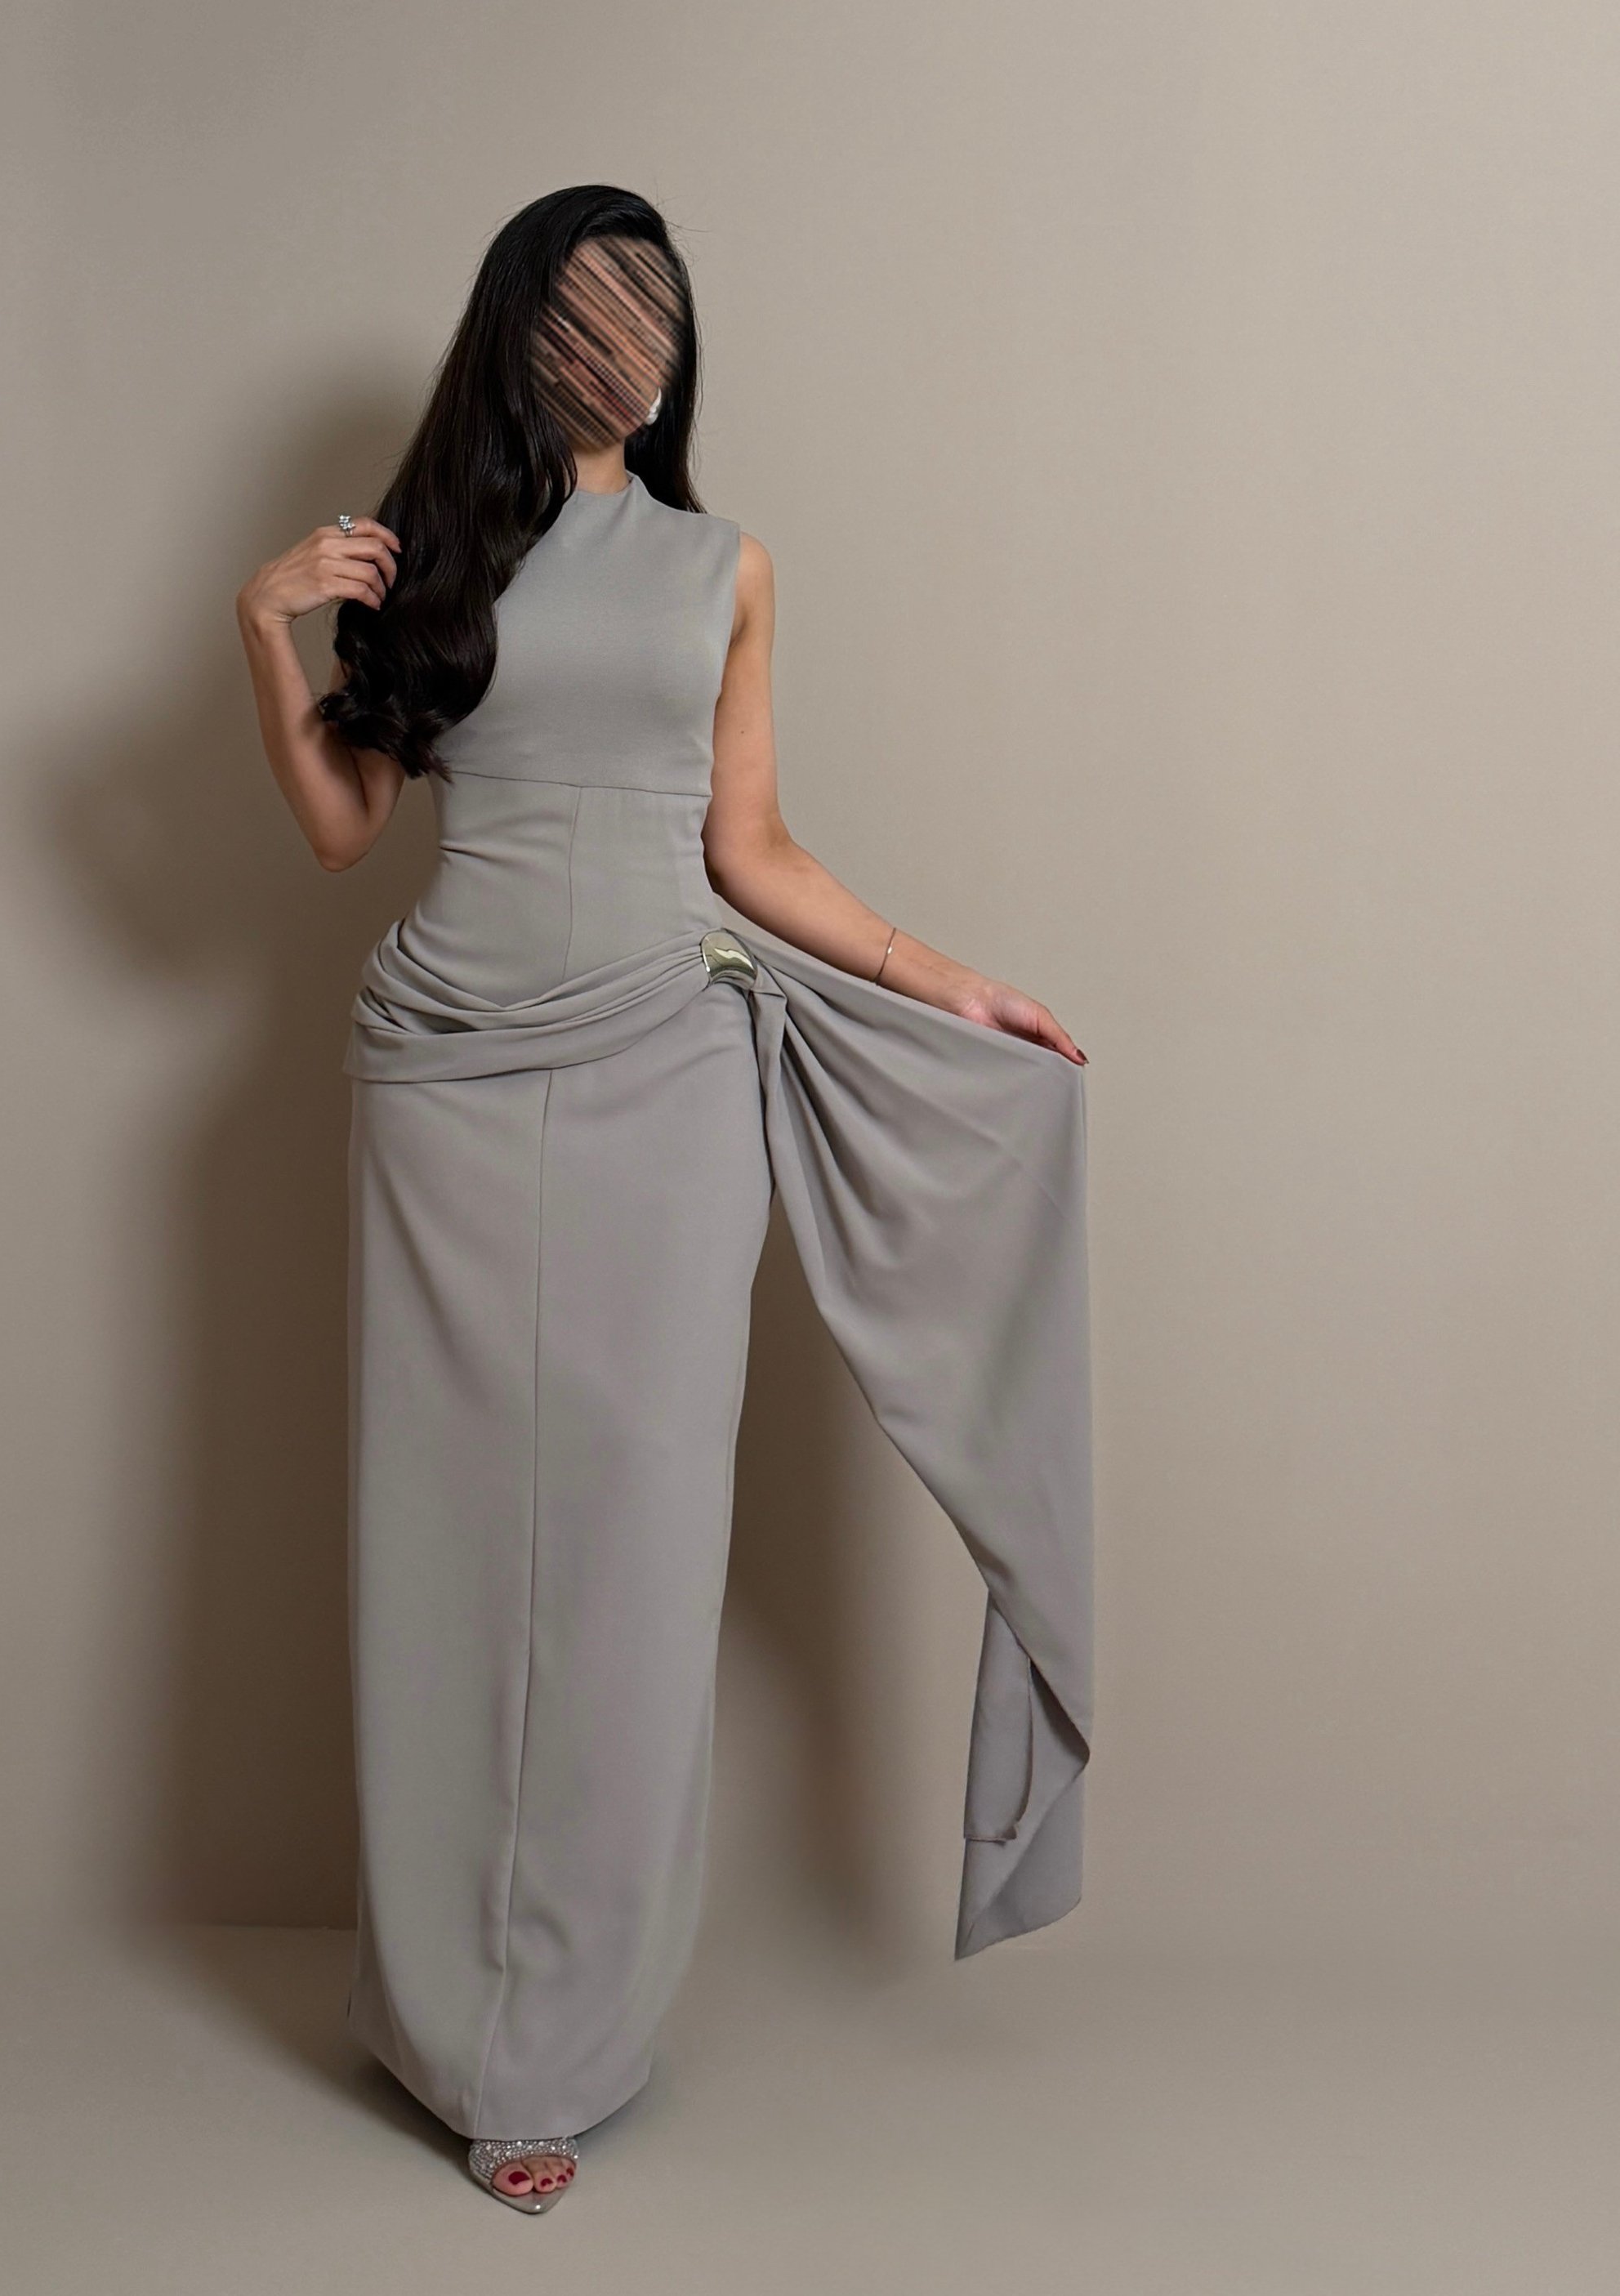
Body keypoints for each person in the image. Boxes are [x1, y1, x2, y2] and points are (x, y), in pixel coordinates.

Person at [235, 184, 1093, 2216]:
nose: (629, 341)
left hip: (665, 1072)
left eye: (657, 308)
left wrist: (947, 980)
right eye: (589, 306)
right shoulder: (426, 555)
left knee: (631, 1544)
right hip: (442, 1077)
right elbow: (346, 829)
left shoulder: (727, 564)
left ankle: (562, 2039)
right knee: (447, 1542)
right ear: (518, 333)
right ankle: (447, 2024)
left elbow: (754, 846)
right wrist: (261, 626)